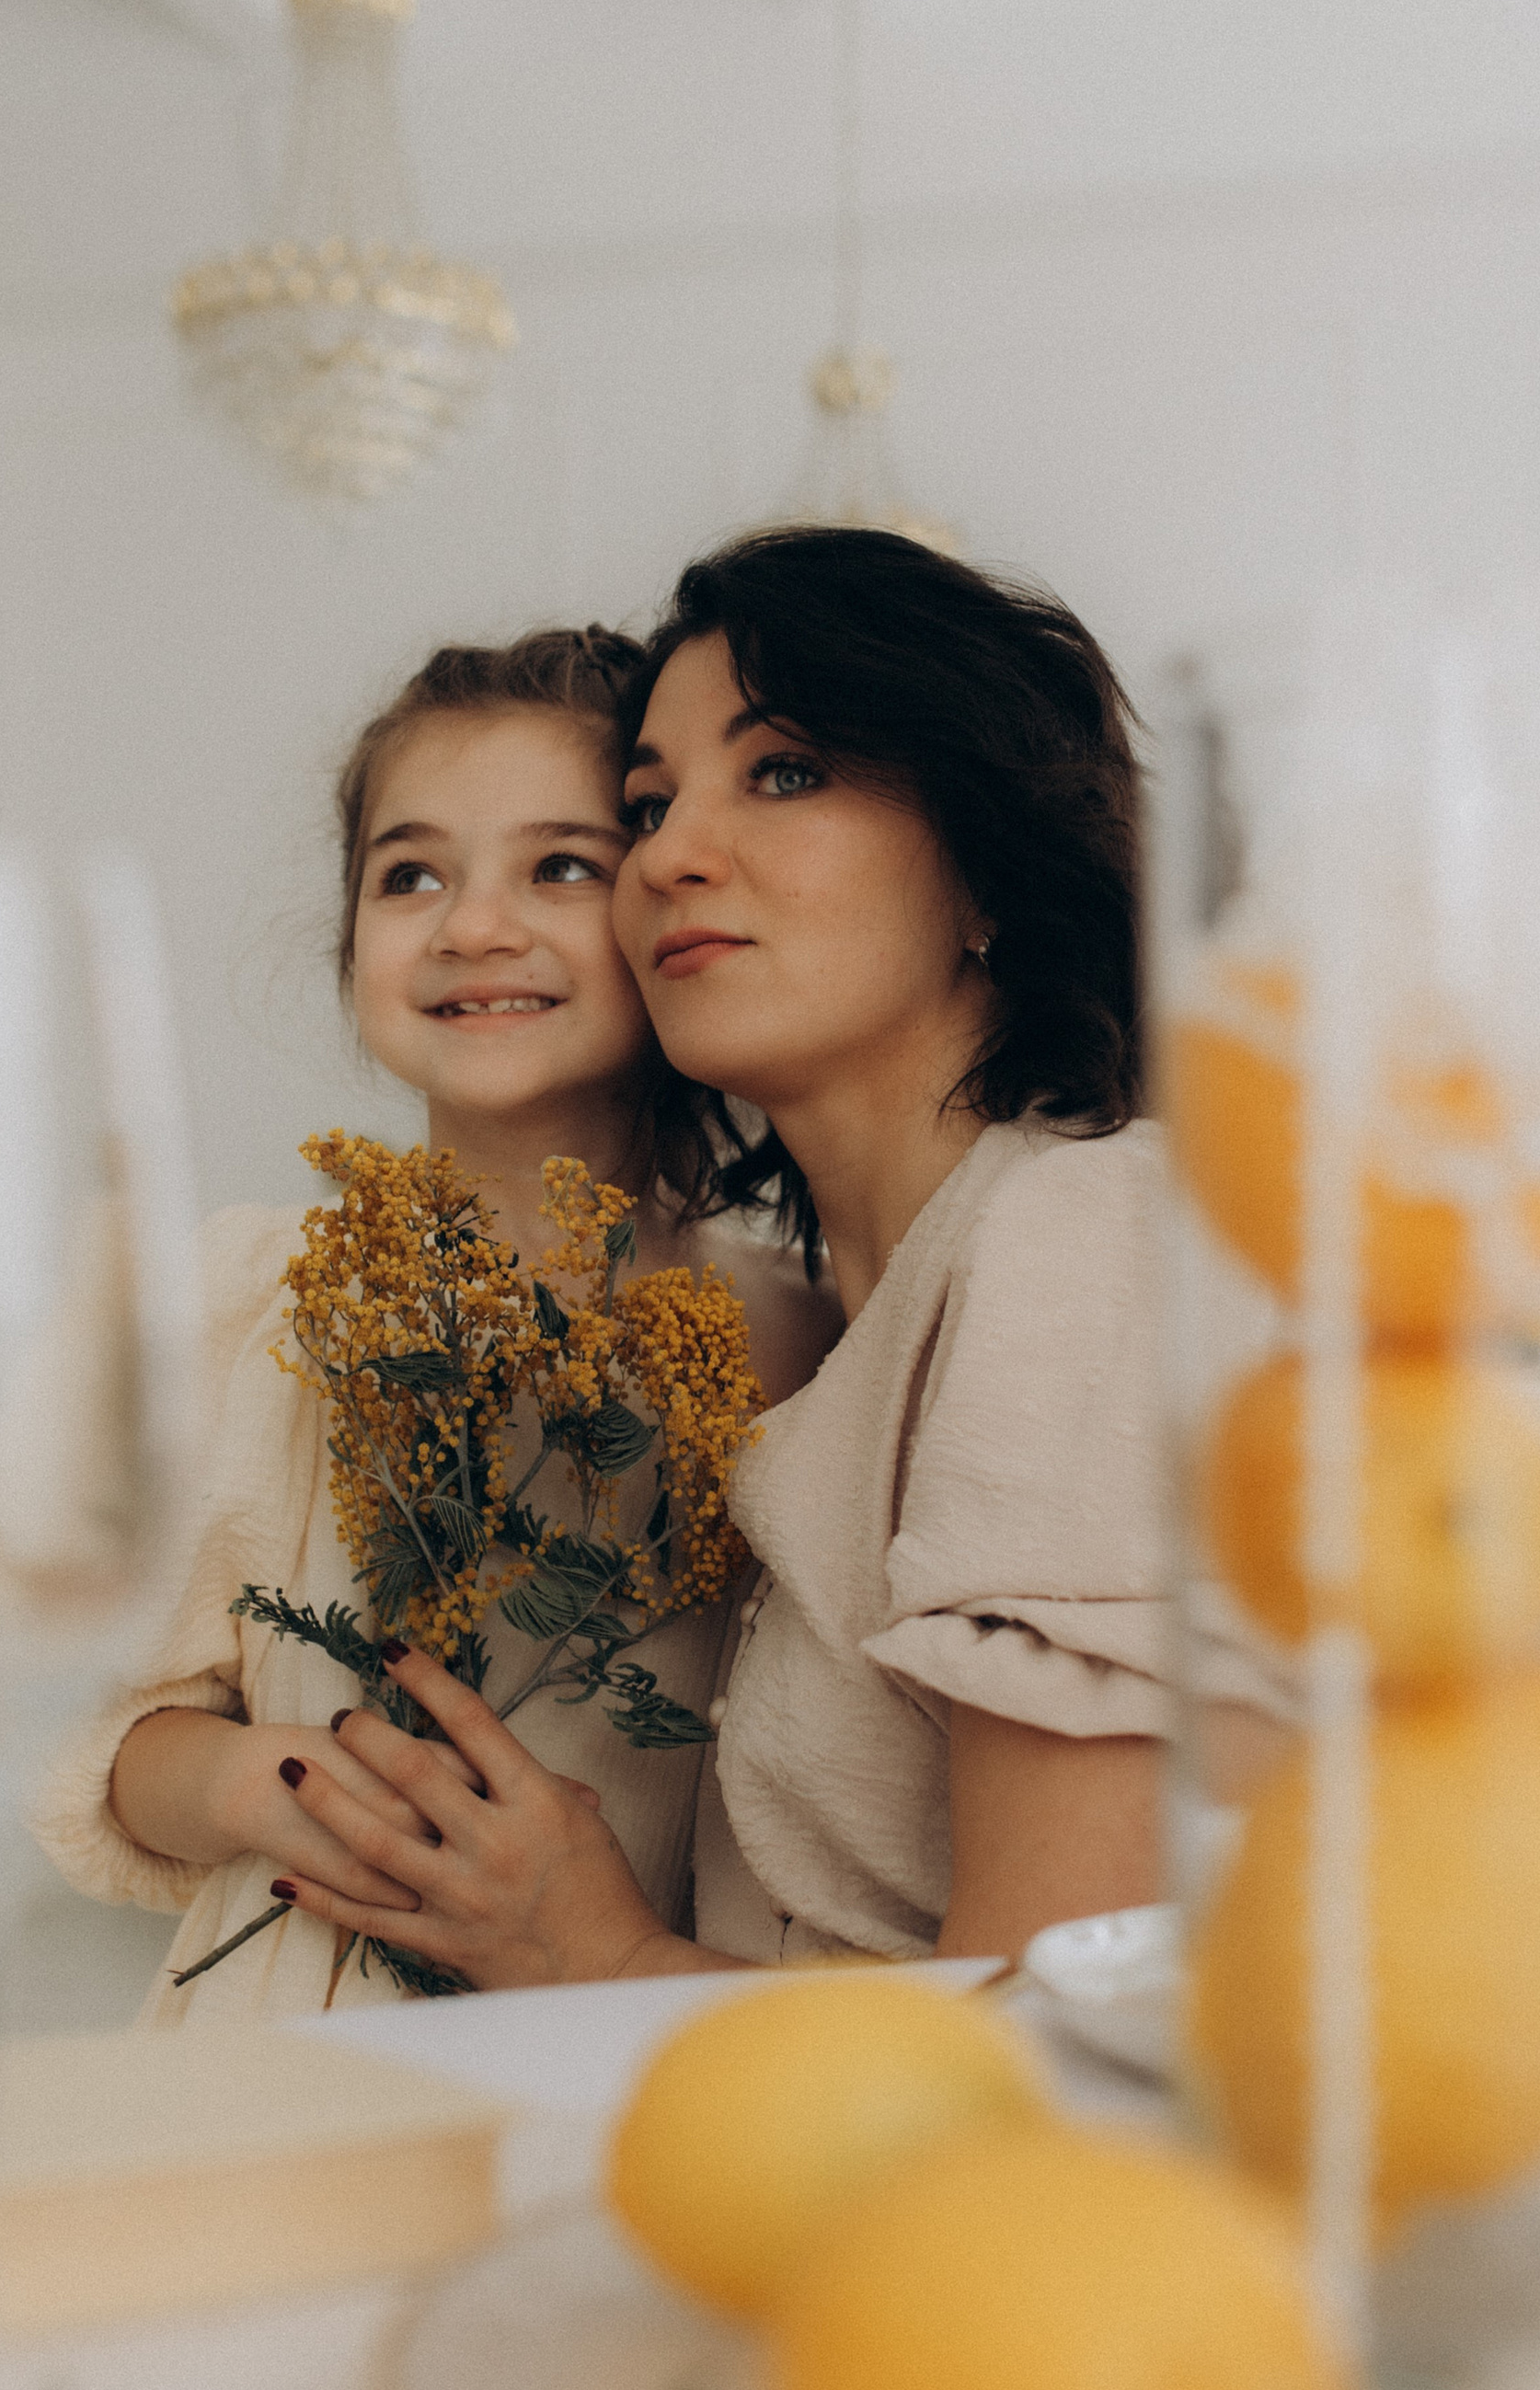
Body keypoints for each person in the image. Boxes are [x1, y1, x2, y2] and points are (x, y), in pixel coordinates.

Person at [282, 527, 1171, 1983]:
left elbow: (1050, 2026)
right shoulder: (824, 1332)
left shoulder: (1075, 1234)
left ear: (987, 871)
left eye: (785, 772)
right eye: (648, 804)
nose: (670, 855)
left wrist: (587, 1945)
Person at [30, 626, 837, 2023]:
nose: (472, 927)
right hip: (280, 2057)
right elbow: (98, 1739)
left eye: (560, 866)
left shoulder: (796, 1332)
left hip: (623, 2050)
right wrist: (254, 1784)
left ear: (670, 903)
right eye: (410, 875)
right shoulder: (252, 1306)